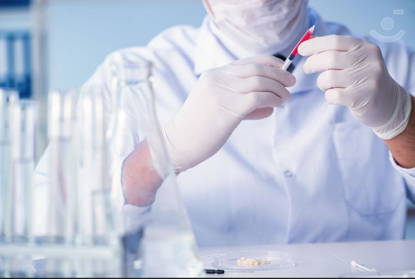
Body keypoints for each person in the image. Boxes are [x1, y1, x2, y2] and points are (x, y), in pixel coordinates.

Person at [35, 0, 415, 247]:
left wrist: (400, 119)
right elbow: (43, 222)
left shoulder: (391, 65)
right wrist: (158, 154)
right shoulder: (132, 76)